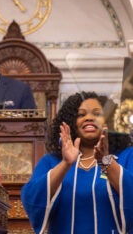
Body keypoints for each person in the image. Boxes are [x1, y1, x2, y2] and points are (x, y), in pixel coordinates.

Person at [21, 91, 133, 233]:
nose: (89, 118)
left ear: (109, 121)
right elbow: (32, 199)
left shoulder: (127, 156)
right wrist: (66, 163)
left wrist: (105, 160)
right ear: (71, 122)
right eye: (81, 114)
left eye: (97, 113)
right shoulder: (51, 161)